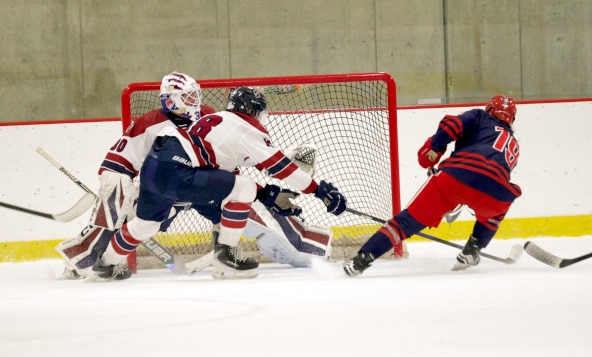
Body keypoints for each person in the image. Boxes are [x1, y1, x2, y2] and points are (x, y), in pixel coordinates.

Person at [57, 73, 336, 279]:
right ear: (170, 98)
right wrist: (116, 180)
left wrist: (262, 192)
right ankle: (226, 256)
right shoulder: (150, 122)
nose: (194, 101)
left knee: (147, 225)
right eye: (188, 96)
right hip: (178, 179)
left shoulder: (206, 115)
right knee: (240, 192)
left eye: (195, 95)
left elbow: (225, 160)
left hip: (172, 176)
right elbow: (121, 158)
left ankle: (107, 264)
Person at [343, 94, 521, 276]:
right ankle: (473, 249)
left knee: (404, 223)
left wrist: (435, 148)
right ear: (511, 118)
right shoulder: (514, 144)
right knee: (497, 210)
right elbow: (487, 174)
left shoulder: (479, 116)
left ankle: (361, 260)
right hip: (495, 192)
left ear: (490, 109)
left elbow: (451, 126)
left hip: (455, 177)